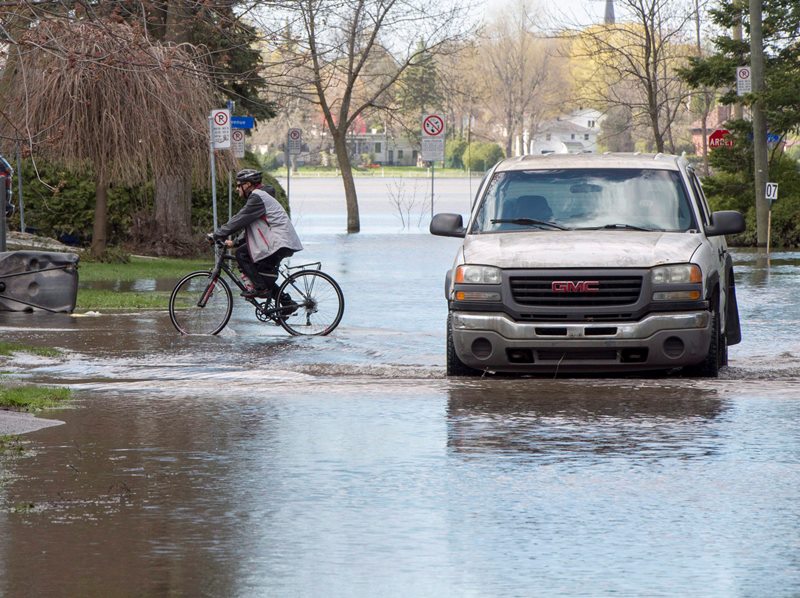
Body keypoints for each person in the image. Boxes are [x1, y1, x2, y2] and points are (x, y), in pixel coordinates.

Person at [213, 169, 303, 298]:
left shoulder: (257, 197)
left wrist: (218, 234)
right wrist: (235, 242)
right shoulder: (260, 196)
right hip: (278, 241)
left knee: (242, 255)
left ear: (247, 184)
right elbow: (252, 227)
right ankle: (286, 303)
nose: (237, 189)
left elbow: (240, 219)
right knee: (260, 275)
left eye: (239, 185)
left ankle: (261, 289)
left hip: (279, 241)